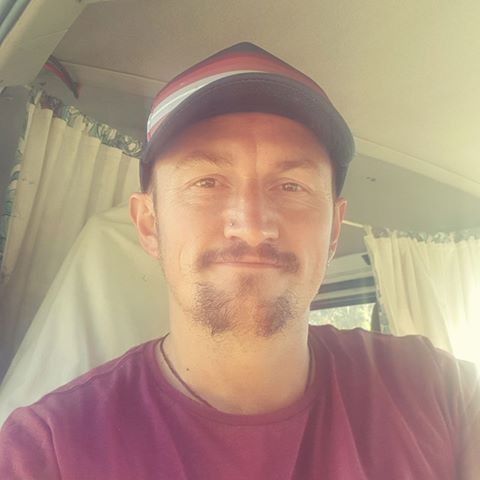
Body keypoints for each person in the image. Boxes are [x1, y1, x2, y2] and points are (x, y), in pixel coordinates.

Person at [0, 42, 478, 479]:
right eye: (207, 182)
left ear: (333, 229)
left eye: (291, 186)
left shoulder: (439, 391)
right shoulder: (45, 452)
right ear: (149, 224)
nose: (252, 225)